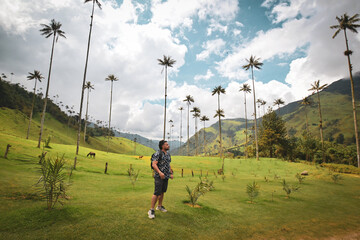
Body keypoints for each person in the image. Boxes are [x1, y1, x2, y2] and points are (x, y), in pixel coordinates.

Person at [148, 140, 173, 219]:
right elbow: (154, 164)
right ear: (162, 146)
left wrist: (171, 173)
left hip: (166, 176)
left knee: (162, 192)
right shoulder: (158, 153)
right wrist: (159, 172)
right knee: (157, 193)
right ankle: (151, 210)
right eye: (166, 144)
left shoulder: (168, 154)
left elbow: (168, 164)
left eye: (168, 144)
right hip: (159, 176)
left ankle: (159, 206)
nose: (168, 145)